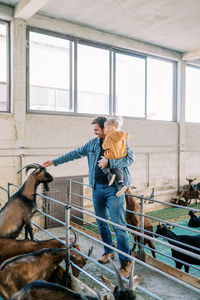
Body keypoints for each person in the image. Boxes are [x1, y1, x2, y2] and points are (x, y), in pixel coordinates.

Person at [42, 116, 134, 278]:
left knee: (118, 225)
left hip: (114, 189)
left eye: (97, 129)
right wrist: (54, 162)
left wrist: (110, 163)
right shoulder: (92, 144)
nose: (94, 132)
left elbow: (130, 159)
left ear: (106, 128)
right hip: (97, 188)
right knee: (101, 223)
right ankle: (108, 251)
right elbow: (75, 153)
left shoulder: (120, 140)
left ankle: (126, 262)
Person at [102, 117, 129, 197]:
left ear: (110, 126)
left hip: (111, 156)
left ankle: (109, 174)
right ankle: (121, 184)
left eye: (106, 127)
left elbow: (105, 146)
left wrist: (104, 144)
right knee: (118, 169)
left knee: (103, 165)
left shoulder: (109, 136)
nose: (105, 129)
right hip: (120, 155)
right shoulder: (122, 135)